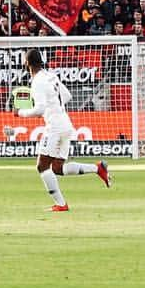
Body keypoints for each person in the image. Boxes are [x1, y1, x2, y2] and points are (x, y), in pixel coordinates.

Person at [26, 47, 111, 211]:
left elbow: (39, 109)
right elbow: (67, 96)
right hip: (66, 124)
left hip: (55, 127)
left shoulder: (37, 81)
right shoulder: (51, 76)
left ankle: (61, 204)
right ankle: (98, 168)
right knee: (57, 168)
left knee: (42, 167)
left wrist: (20, 113)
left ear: (27, 63)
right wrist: (54, 107)